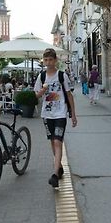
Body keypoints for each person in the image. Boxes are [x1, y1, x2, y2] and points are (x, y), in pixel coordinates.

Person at [34, 48, 77, 189]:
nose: (48, 62)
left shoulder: (61, 76)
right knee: (53, 142)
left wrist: (73, 115)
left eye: (51, 59)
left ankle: (55, 175)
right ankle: (58, 167)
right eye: (46, 60)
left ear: (55, 60)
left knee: (58, 142)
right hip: (47, 115)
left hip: (60, 113)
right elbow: (36, 96)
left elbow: (69, 95)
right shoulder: (41, 76)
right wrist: (42, 91)